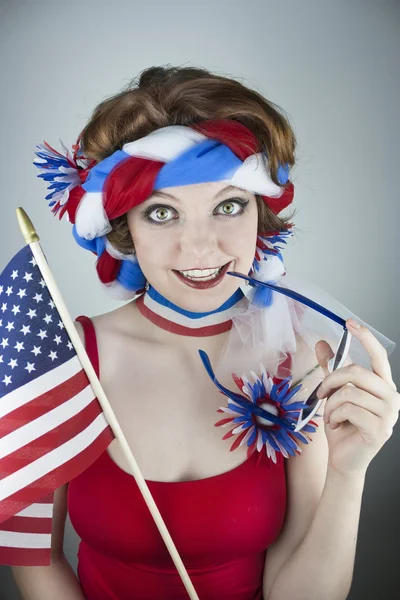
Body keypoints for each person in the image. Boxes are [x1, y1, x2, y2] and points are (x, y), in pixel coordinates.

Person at [11, 65, 398, 600]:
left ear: (260, 213)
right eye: (163, 213)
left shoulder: (299, 359)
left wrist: (347, 474)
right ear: (125, 232)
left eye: (228, 206)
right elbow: (36, 557)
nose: (200, 249)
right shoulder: (68, 359)